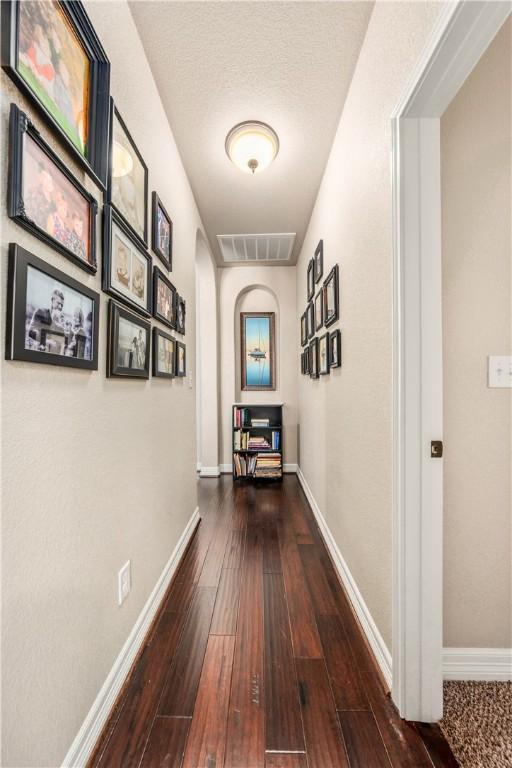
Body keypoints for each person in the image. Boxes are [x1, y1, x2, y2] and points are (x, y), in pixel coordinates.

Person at [25, 162, 55, 230]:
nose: (48, 181)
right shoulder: (34, 196)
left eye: (49, 179)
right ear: (40, 178)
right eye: (45, 177)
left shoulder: (52, 200)